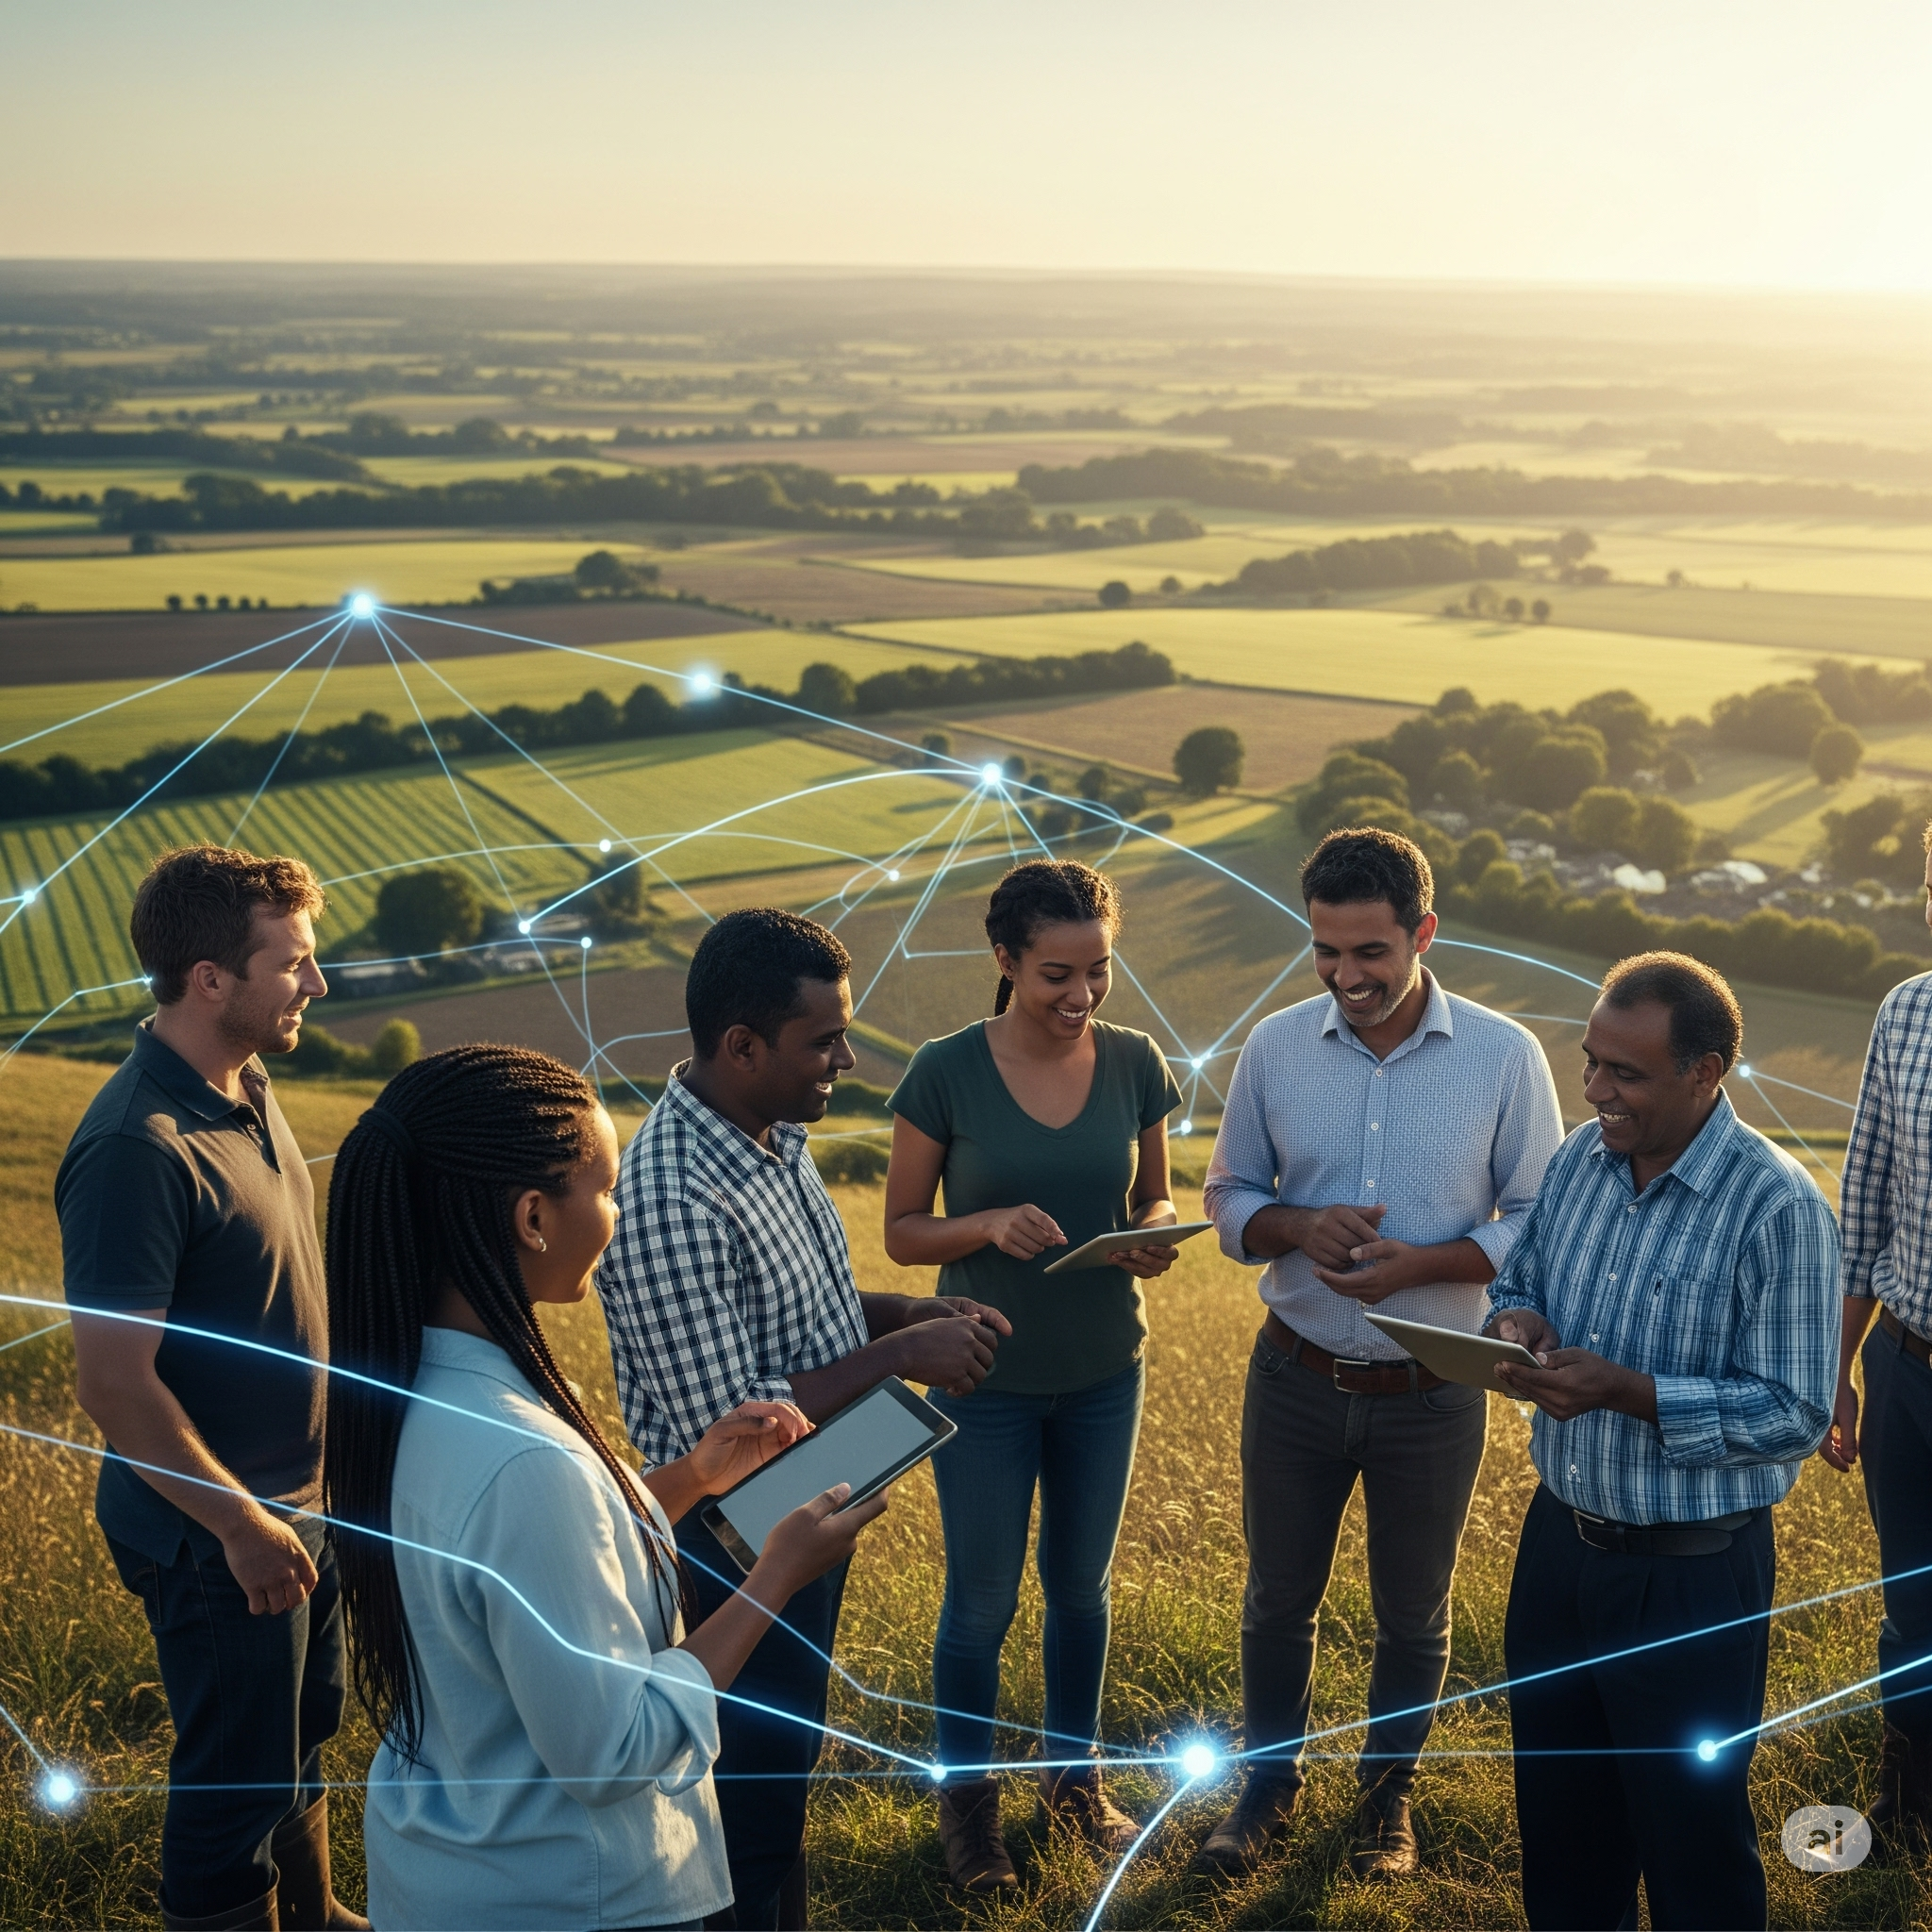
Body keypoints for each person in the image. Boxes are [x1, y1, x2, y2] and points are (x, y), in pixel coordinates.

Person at [325, 1044, 880, 1932]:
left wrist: (691, 1479)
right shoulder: (523, 1460)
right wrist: (775, 1578)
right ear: (534, 1217)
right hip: (565, 1895)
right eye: (610, 1190)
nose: (621, 1216)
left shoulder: (411, 1398)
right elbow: (613, 1750)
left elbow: (530, 1570)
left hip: (452, 1868)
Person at [596, 908, 1008, 1931]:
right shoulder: (671, 1192)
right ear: (740, 1046)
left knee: (782, 1766)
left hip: (806, 1504)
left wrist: (906, 1309)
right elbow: (732, 1433)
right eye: (821, 1040)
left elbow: (804, 1315)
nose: (845, 1057)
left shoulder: (772, 1134)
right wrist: (901, 1356)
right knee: (741, 1785)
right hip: (726, 1538)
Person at [1197, 826, 1563, 1881]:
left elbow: (1536, 1212)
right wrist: (1291, 1227)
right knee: (1275, 1599)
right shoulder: (1272, 1046)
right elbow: (1228, 1194)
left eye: (1369, 952)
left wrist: (1424, 1266)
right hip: (1294, 1372)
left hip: (1435, 1389)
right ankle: (1266, 1787)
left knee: (1413, 1612)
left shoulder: (1503, 1054)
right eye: (1324, 951)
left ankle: (1383, 1800)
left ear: (1422, 934)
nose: (1345, 976)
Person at [1486, 952, 1840, 1931]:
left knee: (1689, 1844)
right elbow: (1520, 1287)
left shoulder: (1776, 1207)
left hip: (1690, 1578)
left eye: (1625, 1072)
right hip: (1557, 1548)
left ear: (1705, 1071)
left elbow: (1792, 1410)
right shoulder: (1573, 1159)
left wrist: (1627, 1391)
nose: (1595, 1088)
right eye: (1590, 1060)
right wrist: (1513, 1326)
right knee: (1559, 1828)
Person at [56, 844, 366, 1932]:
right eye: (294, 963)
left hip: (300, 1503)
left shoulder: (247, 1083)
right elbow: (114, 1383)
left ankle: (318, 1917)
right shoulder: (137, 1146)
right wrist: (240, 1524)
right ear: (210, 978)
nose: (316, 984)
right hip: (213, 1534)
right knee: (232, 1788)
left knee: (298, 1739)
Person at [883, 859, 1184, 1892]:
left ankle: (1072, 1783)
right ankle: (971, 1815)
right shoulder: (943, 1069)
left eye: (1098, 971)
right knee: (977, 1604)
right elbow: (902, 1229)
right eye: (1057, 972)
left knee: (1079, 1592)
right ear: (1004, 960)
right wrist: (985, 1224)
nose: (1080, 995)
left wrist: (1151, 1234)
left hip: (1105, 1367)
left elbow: (1152, 1195)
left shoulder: (1135, 1060)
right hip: (981, 1379)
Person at [1822, 828, 1932, 1848]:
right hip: (1906, 1364)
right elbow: (1861, 1202)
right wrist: (1839, 1365)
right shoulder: (1905, 1009)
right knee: (1910, 1595)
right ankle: (1909, 1794)